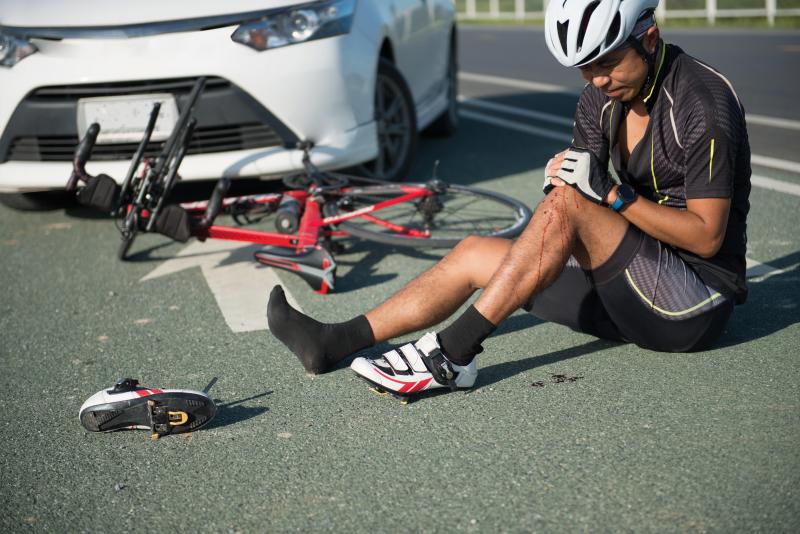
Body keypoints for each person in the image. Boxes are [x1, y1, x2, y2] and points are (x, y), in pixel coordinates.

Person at [266, 0, 751, 396]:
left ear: (649, 37)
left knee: (572, 207)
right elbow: (572, 196)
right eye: (584, 68)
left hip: (690, 306)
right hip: (625, 293)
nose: (597, 79)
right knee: (478, 251)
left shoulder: (703, 103)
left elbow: (707, 238)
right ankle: (334, 342)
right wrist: (563, 183)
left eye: (607, 62)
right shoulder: (598, 99)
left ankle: (449, 356)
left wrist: (612, 196)